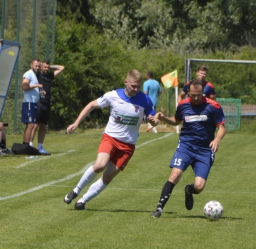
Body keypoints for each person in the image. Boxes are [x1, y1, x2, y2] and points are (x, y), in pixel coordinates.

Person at [64, 69, 159, 210]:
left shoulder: (145, 100)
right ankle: (76, 190)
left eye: (138, 86)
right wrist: (76, 123)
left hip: (128, 146)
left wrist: (153, 121)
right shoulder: (113, 96)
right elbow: (91, 105)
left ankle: (82, 201)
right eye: (133, 86)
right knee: (99, 165)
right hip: (110, 138)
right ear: (126, 82)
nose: (136, 89)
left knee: (107, 177)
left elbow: (154, 120)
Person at [149, 78, 226, 218]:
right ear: (188, 92)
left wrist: (217, 139)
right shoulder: (183, 105)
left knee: (199, 186)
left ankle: (189, 190)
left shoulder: (213, 106)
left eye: (199, 94)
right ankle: (159, 209)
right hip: (186, 146)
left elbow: (222, 127)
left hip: (204, 150)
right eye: (193, 95)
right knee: (175, 174)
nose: (196, 97)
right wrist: (164, 119)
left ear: (203, 91)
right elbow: (176, 121)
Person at [29, 61, 64, 154]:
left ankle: (40, 147)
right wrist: (40, 65)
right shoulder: (37, 75)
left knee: (43, 126)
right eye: (45, 67)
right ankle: (30, 147)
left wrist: (51, 66)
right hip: (38, 102)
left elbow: (62, 68)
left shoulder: (50, 76)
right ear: (41, 67)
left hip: (47, 103)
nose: (46, 69)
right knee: (34, 126)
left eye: (48, 68)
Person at [21, 58, 42, 145]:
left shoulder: (34, 75)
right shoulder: (28, 73)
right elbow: (24, 86)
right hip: (28, 103)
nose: (37, 67)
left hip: (33, 103)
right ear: (31, 65)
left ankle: (28, 145)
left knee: (32, 125)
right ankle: (26, 145)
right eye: (36, 66)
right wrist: (36, 85)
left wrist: (40, 91)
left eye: (38, 66)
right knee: (30, 125)